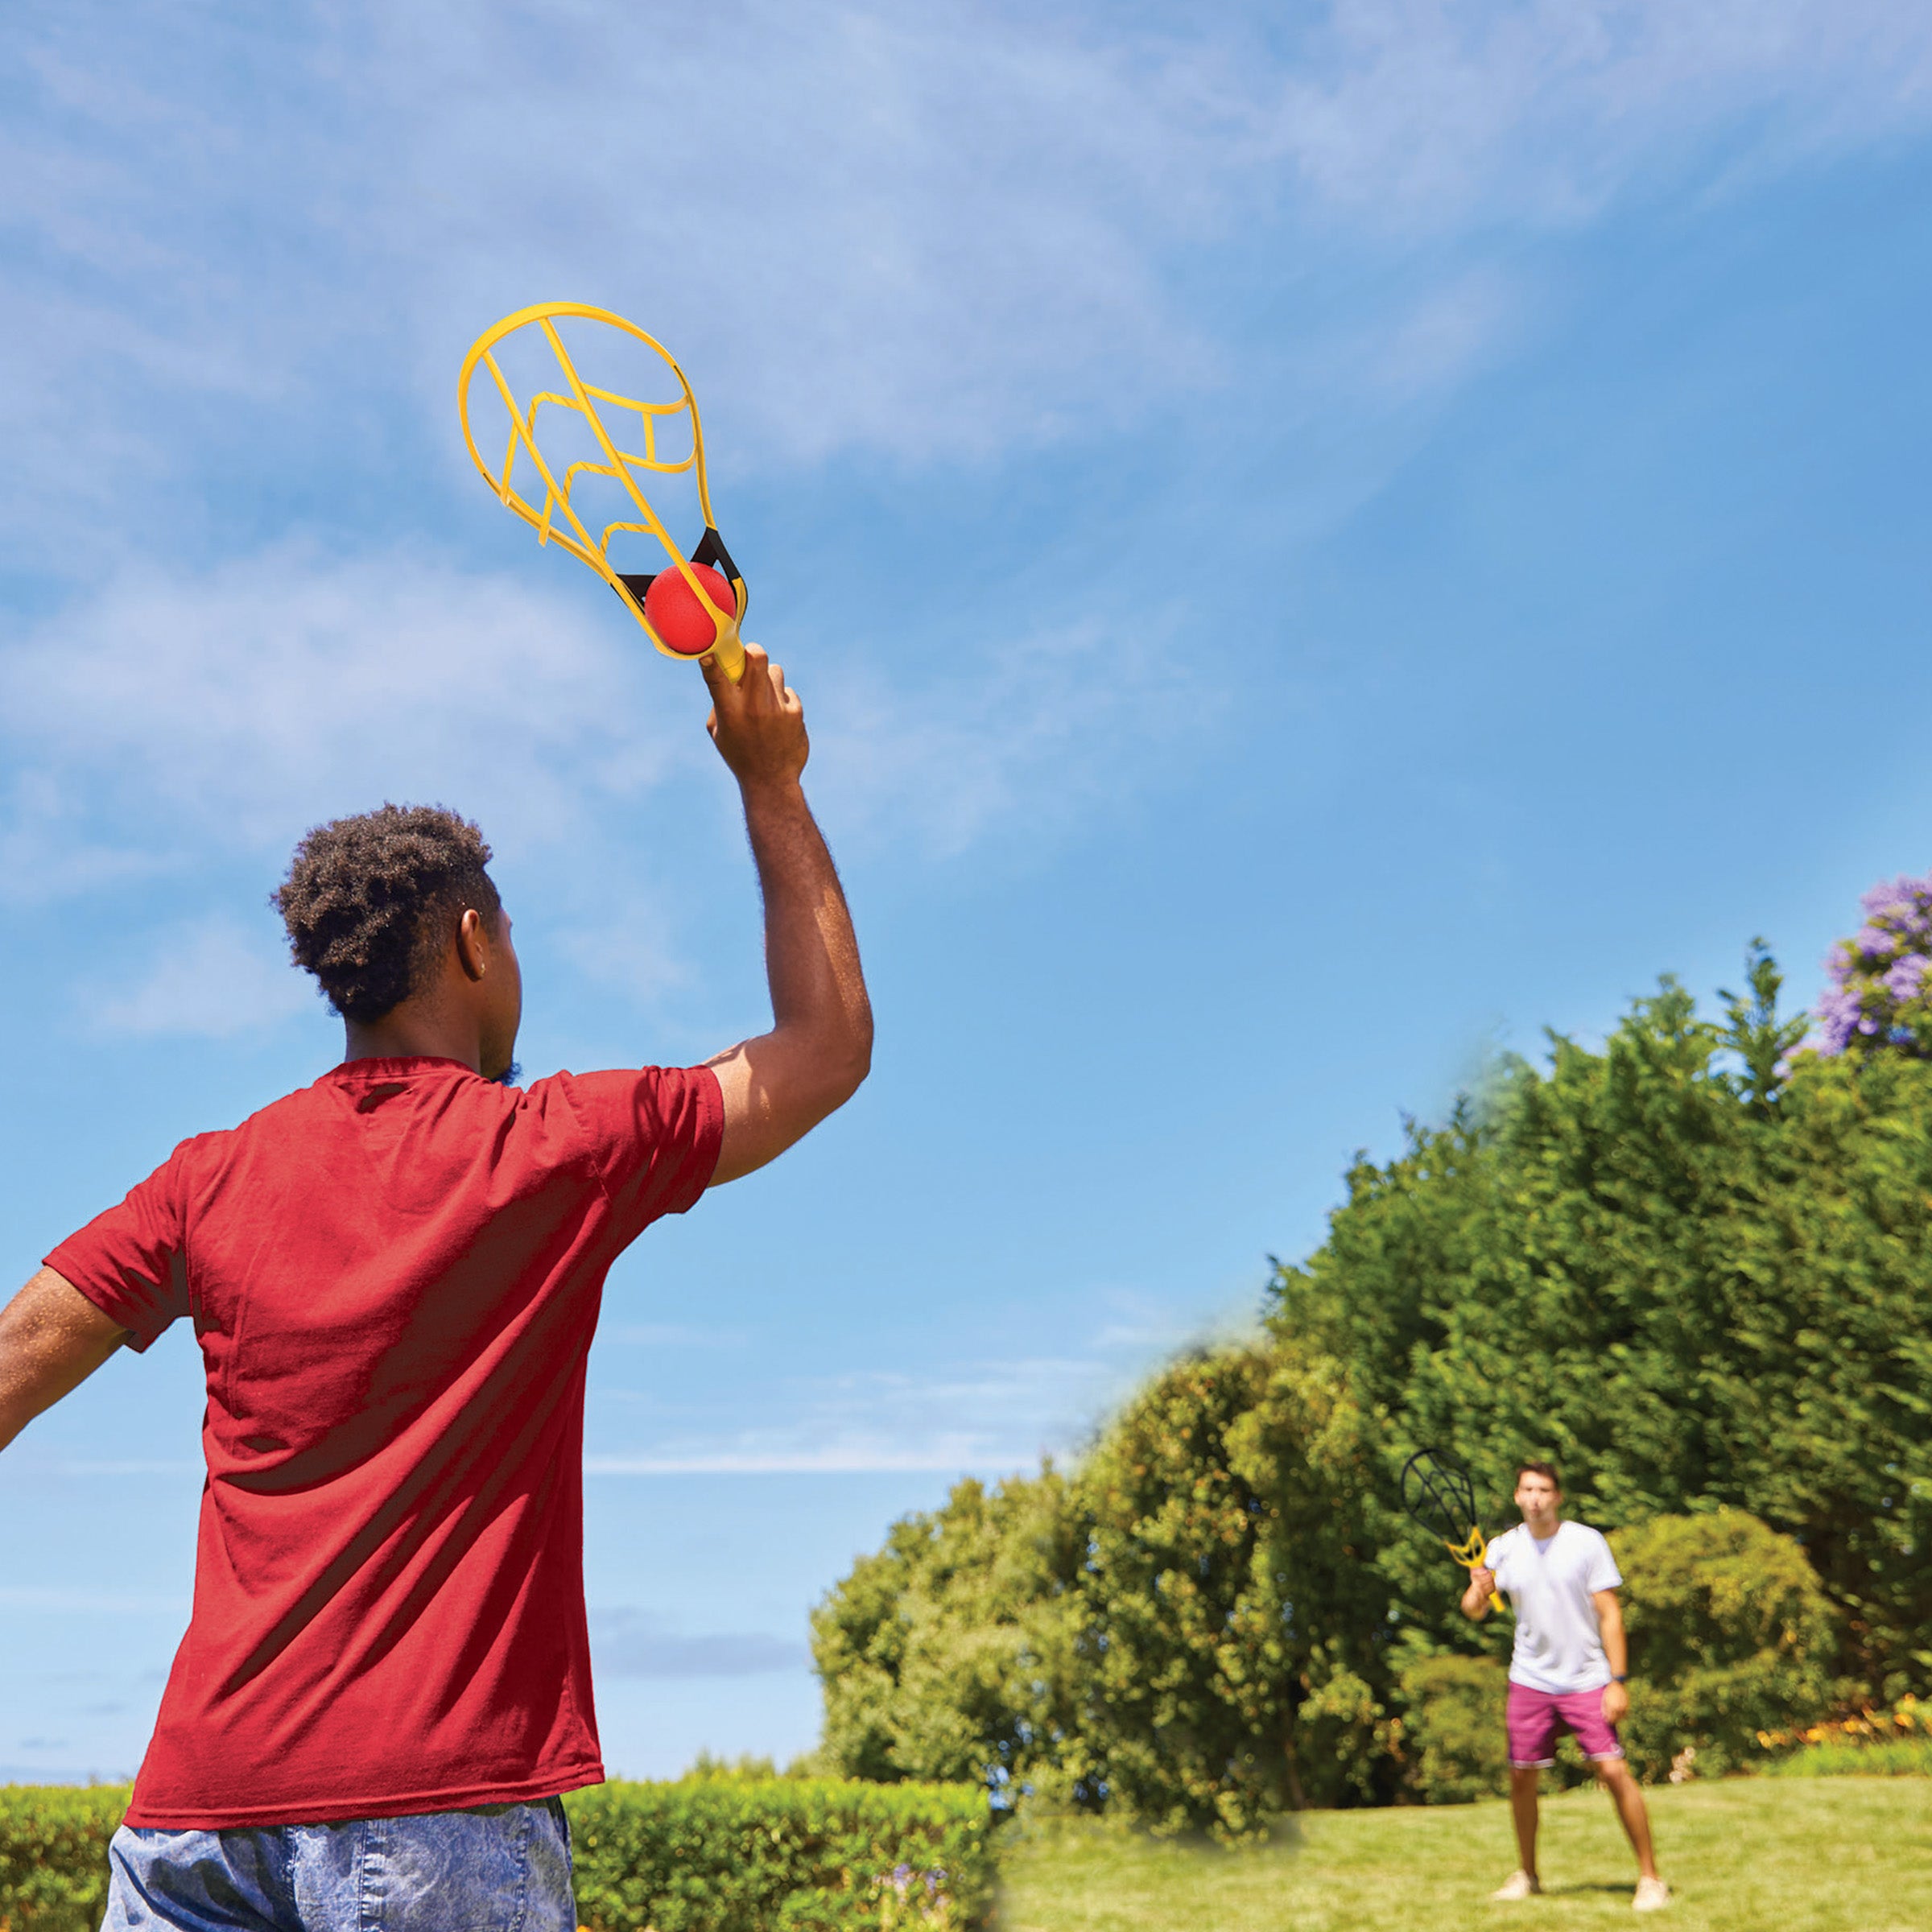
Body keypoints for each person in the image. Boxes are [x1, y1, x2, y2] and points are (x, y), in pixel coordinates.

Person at [0, 644, 871, 1931]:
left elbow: (15, 1355)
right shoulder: (555, 1145)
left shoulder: (209, 1180)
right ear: (473, 942)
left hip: (194, 1816)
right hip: (438, 1810)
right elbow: (825, 1048)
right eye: (509, 937)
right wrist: (771, 781)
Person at [1463, 1461, 1670, 1913]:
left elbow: (1610, 1614)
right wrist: (1479, 1588)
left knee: (1614, 1772)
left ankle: (1651, 1879)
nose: (1535, 1497)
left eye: (1543, 1489)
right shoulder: (1502, 1549)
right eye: (1527, 1489)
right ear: (1517, 1496)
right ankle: (1528, 1876)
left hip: (1586, 1680)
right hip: (1529, 1681)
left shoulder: (1585, 1543)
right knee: (1521, 1777)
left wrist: (1617, 1681)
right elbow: (1473, 1609)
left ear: (1557, 1497)